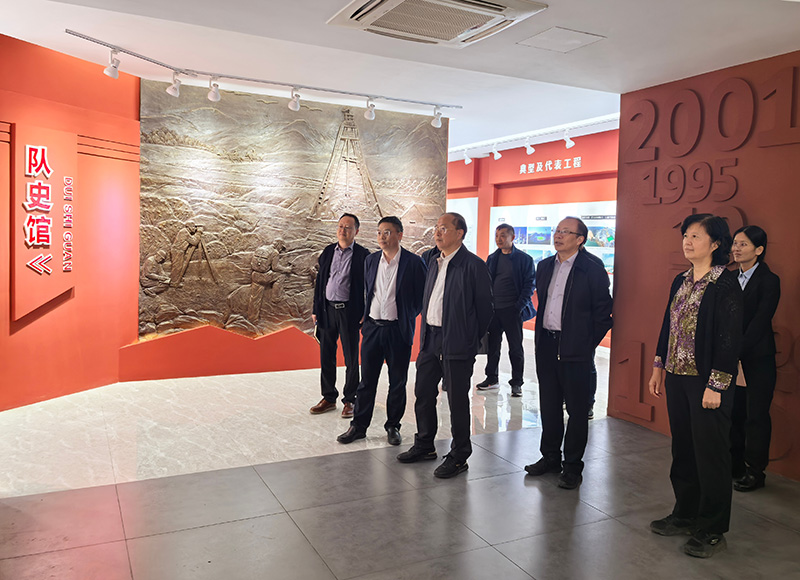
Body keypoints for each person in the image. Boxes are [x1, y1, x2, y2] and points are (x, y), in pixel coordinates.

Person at [648, 214, 742, 559]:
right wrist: (658, 366)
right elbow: (668, 326)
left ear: (715, 244)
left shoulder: (725, 285)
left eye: (696, 236)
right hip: (677, 376)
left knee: (711, 455)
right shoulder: (681, 280)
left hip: (707, 383)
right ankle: (685, 513)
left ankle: (712, 529)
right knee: (684, 449)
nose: (687, 242)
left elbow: (730, 341)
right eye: (686, 235)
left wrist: (716, 385)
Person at [396, 212, 492, 478]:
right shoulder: (432, 261)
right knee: (423, 393)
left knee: (457, 400)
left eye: (444, 228)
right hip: (431, 339)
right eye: (436, 228)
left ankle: (459, 455)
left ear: (460, 233)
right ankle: (425, 444)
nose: (437, 233)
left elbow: (485, 310)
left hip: (458, 342)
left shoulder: (473, 265)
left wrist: (469, 340)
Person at [525, 217, 612, 490]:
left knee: (576, 410)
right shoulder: (544, 266)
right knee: (549, 406)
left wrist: (586, 343)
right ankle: (550, 457)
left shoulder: (592, 268)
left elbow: (604, 313)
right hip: (547, 345)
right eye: (557, 231)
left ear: (580, 239)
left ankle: (572, 466)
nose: (558, 235)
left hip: (576, 349)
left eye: (565, 232)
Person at [337, 216, 426, 446]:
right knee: (367, 381)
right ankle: (358, 426)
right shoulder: (371, 260)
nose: (382, 237)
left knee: (397, 382)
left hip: (398, 331)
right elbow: (368, 291)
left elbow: (421, 297)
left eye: (387, 232)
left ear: (399, 235)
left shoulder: (414, 263)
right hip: (373, 329)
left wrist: (406, 315)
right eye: (379, 232)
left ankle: (393, 426)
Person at [730, 225, 781, 492]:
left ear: (759, 250)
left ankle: (755, 471)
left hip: (758, 358)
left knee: (756, 415)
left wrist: (736, 350)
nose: (736, 249)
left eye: (744, 244)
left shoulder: (769, 280)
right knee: (734, 413)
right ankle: (735, 464)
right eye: (735, 243)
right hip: (731, 357)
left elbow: (761, 320)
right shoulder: (729, 277)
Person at [310, 214, 369, 418]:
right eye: (341, 226)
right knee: (326, 354)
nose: (343, 230)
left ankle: (350, 399)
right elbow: (320, 282)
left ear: (356, 231)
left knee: (351, 357)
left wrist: (365, 311)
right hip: (327, 310)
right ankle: (328, 397)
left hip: (349, 312)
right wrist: (316, 309)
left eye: (348, 227)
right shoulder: (328, 251)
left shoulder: (363, 255)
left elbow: (370, 286)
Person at [476, 224, 535, 397]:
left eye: (502, 235)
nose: (498, 239)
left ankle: (517, 382)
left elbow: (529, 285)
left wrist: (518, 307)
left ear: (512, 237)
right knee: (493, 346)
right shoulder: (493, 258)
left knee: (515, 348)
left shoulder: (524, 259)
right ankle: (491, 378)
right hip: (494, 311)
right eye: (496, 236)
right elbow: (486, 282)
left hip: (513, 310)